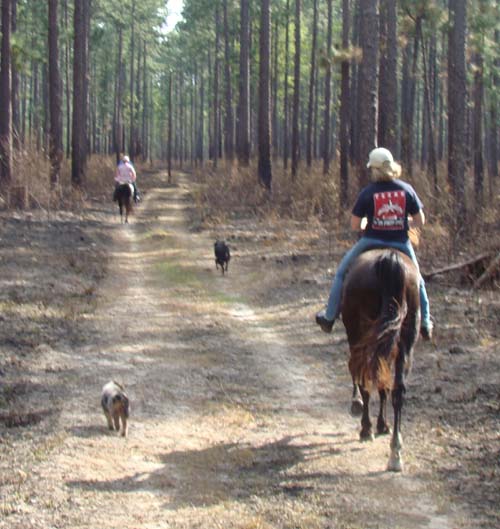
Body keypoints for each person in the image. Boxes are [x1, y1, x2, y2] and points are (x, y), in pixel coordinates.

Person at [315, 147, 433, 340]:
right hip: (401, 242)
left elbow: (355, 224)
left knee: (342, 272)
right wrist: (403, 223)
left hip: (371, 240)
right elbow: (420, 220)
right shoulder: (406, 190)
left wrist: (368, 223)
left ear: (375, 169)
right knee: (418, 279)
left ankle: (329, 316)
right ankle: (426, 322)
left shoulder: (368, 192)